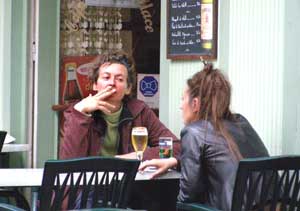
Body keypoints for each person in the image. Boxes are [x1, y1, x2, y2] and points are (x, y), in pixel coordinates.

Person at [139, 64, 269, 210]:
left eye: (182, 99)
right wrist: (175, 161)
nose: (181, 106)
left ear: (195, 104)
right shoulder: (241, 122)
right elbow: (221, 156)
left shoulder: (193, 132)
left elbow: (187, 197)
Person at [59, 50, 180, 161]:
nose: (112, 83)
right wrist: (80, 113)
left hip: (128, 182)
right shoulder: (77, 112)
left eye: (119, 79)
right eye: (106, 77)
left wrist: (137, 156)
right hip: (90, 183)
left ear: (128, 88)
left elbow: (176, 148)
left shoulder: (139, 111)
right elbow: (68, 160)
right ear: (94, 85)